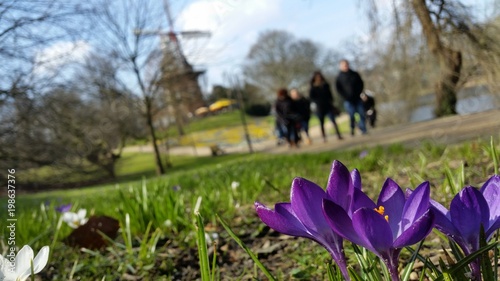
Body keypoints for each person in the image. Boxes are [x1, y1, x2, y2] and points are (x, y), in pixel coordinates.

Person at [335, 59, 367, 136]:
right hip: (347, 100)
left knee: (361, 113)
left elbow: (361, 84)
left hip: (357, 98)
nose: (345, 66)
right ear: (340, 66)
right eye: (343, 65)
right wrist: (345, 97)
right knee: (352, 115)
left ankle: (363, 129)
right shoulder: (339, 77)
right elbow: (338, 89)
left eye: (346, 64)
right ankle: (352, 128)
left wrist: (359, 93)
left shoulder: (355, 74)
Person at [309, 71, 343, 142]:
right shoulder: (313, 87)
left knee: (333, 120)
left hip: (328, 106)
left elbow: (330, 95)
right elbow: (312, 98)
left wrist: (331, 103)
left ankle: (338, 135)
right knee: (321, 122)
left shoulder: (325, 85)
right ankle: (324, 137)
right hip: (319, 107)